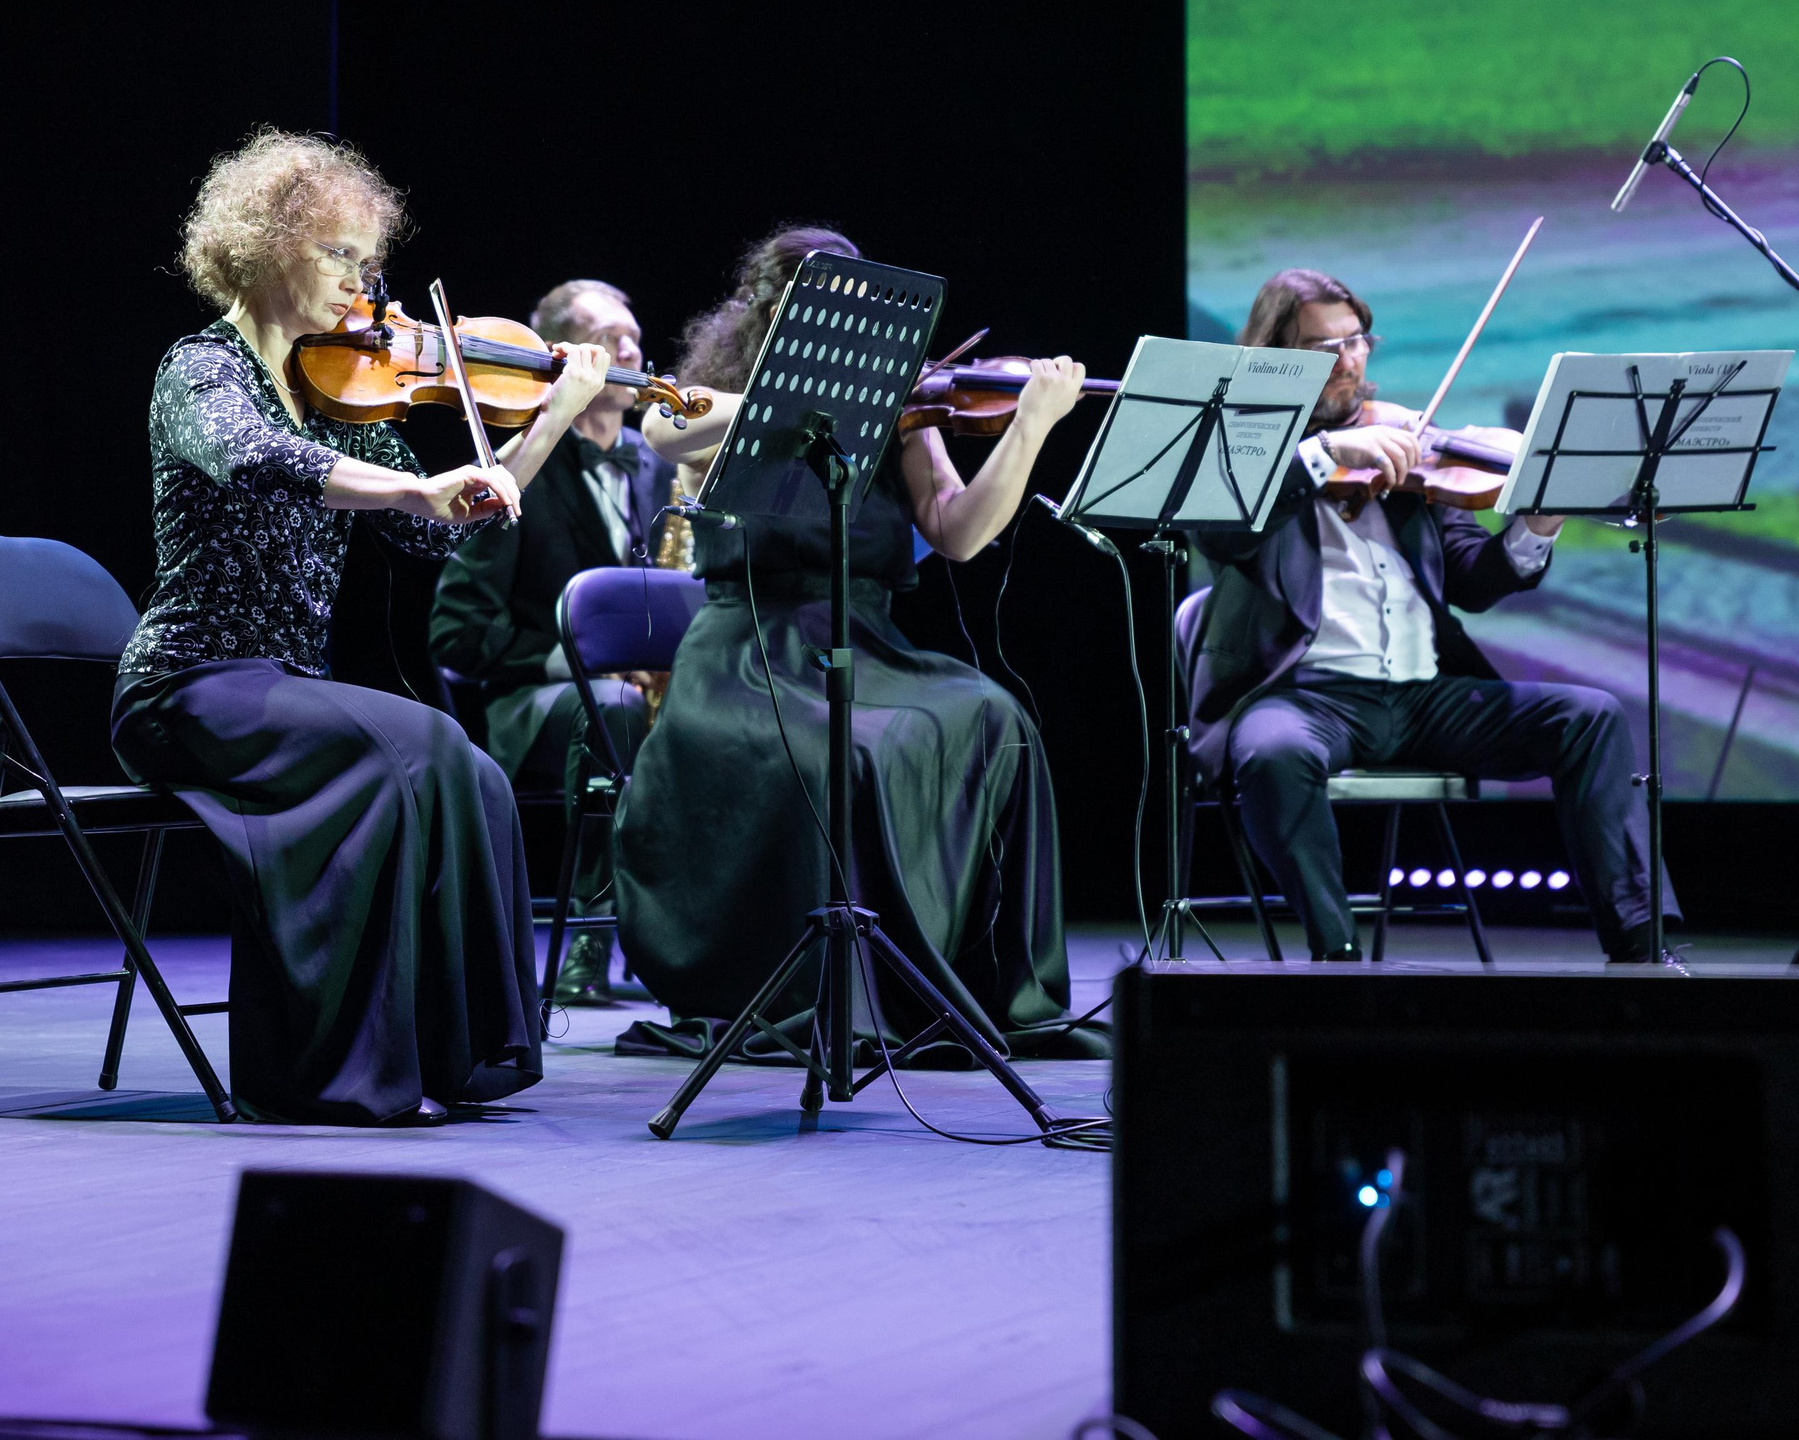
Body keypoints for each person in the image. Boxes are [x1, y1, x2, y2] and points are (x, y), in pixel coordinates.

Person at [109, 128, 613, 1125]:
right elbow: (255, 458)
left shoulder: (337, 391)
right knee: (417, 743)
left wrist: (552, 418)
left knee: (465, 762)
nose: (361, 282)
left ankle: (457, 1055)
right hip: (188, 685)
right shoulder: (203, 370)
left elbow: (444, 532)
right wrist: (416, 489)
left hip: (283, 687)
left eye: (367, 261)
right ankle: (337, 1073)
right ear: (263, 245)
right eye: (337, 253)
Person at [612, 226, 1105, 1062]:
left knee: (996, 716)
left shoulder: (904, 412)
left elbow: (957, 531)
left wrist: (1030, 428)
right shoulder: (724, 390)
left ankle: (973, 988)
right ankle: (835, 994)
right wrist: (829, 400)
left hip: (864, 640)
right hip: (746, 650)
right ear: (782, 312)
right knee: (842, 754)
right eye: (836, 299)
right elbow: (663, 428)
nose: (860, 313)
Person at [1189, 268, 1681, 965]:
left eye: (1356, 341)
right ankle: (1338, 957)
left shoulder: (1412, 444)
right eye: (1321, 348)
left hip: (1424, 698)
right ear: (1278, 356)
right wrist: (1326, 453)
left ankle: (1641, 942)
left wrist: (1537, 522)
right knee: (1273, 754)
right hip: (1303, 697)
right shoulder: (1245, 451)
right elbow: (1223, 535)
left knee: (1591, 717)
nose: (1346, 362)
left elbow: (1473, 582)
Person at [429, 280, 679, 1008]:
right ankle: (592, 943)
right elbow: (458, 631)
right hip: (534, 703)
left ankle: (701, 945)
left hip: (638, 694)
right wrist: (583, 658)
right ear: (563, 358)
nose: (630, 351)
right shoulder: (522, 468)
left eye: (635, 336)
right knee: (617, 709)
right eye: (609, 338)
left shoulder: (664, 465)